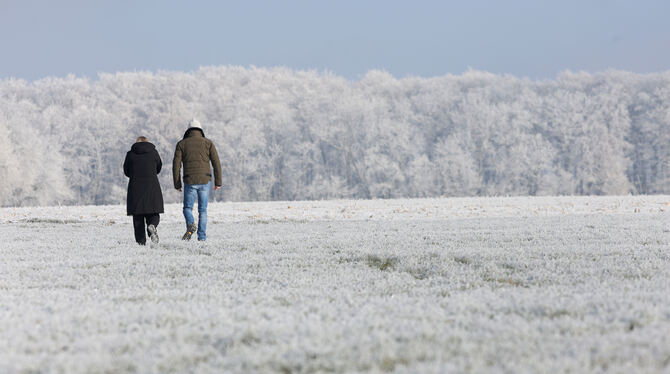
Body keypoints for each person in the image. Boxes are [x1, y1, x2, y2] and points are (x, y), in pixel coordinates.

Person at [172, 119, 222, 241]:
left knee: (187, 208)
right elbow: (216, 163)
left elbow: (176, 165)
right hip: (205, 179)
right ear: (200, 130)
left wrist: (177, 184)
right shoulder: (208, 143)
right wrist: (218, 182)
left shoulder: (181, 144)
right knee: (203, 210)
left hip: (189, 180)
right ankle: (202, 237)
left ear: (188, 130)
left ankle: (190, 224)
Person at [123, 136, 164, 245]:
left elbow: (126, 171)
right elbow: (159, 167)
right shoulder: (154, 153)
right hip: (152, 187)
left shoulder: (130, 154)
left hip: (135, 188)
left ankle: (141, 242)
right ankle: (152, 226)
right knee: (154, 212)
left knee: (138, 217)